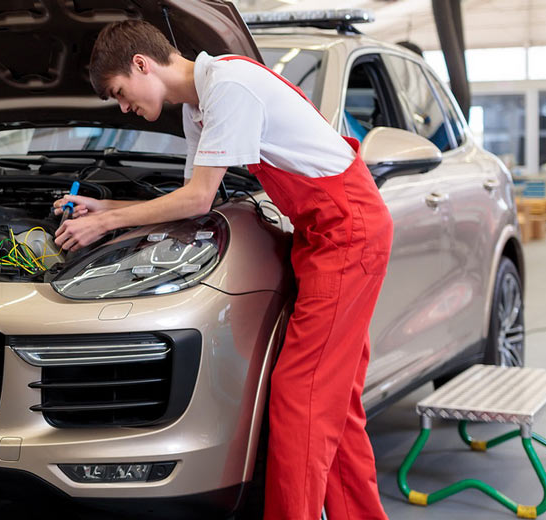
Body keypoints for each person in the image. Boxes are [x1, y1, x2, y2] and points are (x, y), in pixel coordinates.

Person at [52, 20, 393, 520]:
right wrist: (105, 212)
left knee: (301, 398)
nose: (123, 108)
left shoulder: (229, 88)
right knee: (334, 402)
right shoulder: (199, 105)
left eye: (119, 93)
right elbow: (190, 206)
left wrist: (110, 223)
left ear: (141, 65)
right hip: (321, 234)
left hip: (347, 232)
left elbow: (198, 196)